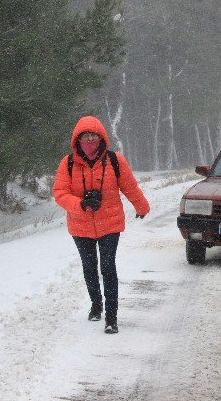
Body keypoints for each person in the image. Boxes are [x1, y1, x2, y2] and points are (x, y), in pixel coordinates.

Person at [53, 116, 150, 334]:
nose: (90, 141)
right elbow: (59, 193)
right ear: (77, 140)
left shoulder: (115, 160)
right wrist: (81, 203)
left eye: (94, 136)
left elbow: (130, 186)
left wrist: (142, 207)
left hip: (110, 224)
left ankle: (111, 317)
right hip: (80, 225)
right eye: (85, 137)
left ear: (101, 138)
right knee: (89, 268)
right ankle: (96, 304)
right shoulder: (68, 163)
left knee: (107, 267)